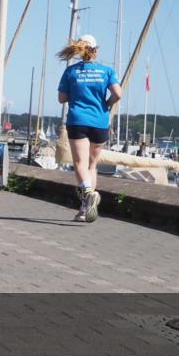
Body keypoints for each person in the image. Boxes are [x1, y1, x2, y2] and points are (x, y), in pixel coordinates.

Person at [56, 34, 122, 223]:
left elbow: (61, 98)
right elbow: (118, 94)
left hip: (78, 120)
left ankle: (87, 194)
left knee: (80, 163)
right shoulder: (107, 71)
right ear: (96, 50)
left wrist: (77, 93)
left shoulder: (71, 71)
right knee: (92, 166)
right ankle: (84, 210)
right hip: (100, 121)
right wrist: (106, 104)